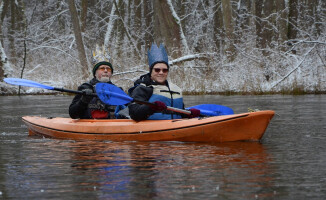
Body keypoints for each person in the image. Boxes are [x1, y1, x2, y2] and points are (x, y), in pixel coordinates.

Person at [127, 43, 200, 121]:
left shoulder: (176, 89)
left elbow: (178, 112)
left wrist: (188, 113)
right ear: (151, 70)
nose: (161, 72)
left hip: (176, 127)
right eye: (157, 70)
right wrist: (150, 107)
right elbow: (134, 114)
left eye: (164, 70)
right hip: (153, 129)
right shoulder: (142, 88)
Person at [69, 46, 117, 119]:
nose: (106, 71)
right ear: (95, 73)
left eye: (108, 69)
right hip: (89, 126)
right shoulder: (85, 87)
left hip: (112, 127)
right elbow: (73, 114)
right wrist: (83, 100)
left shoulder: (117, 90)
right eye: (102, 68)